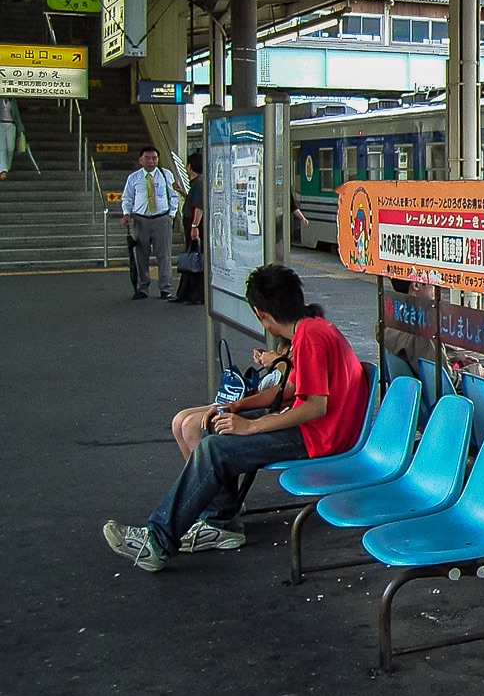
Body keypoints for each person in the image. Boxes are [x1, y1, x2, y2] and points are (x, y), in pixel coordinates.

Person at [103, 264, 368, 572]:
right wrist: (238, 408)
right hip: (322, 430)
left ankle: (157, 541)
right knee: (218, 427)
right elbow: (289, 389)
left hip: (320, 438)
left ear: (261, 314)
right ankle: (220, 522)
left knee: (215, 448)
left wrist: (251, 426)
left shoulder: (310, 336)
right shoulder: (312, 328)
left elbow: (313, 407)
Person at [169, 339, 294, 460]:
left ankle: (207, 478)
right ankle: (199, 477)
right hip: (258, 397)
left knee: (191, 425)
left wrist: (278, 362)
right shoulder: (289, 340)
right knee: (179, 420)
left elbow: (296, 384)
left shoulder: (307, 340)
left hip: (273, 408)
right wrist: (268, 361)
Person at [120, 146, 180, 300]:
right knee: (141, 255)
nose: (151, 161)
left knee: (164, 256)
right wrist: (126, 213)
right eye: (147, 158)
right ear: (140, 160)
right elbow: (127, 198)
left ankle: (166, 288)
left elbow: (173, 196)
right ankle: (142, 288)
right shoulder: (134, 178)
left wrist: (171, 215)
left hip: (162, 219)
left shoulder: (166, 175)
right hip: (141, 220)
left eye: (154, 158)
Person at [173, 151, 205, 304]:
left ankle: (194, 294)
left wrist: (194, 226)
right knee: (192, 256)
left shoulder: (198, 183)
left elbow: (199, 207)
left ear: (190, 166)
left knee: (195, 258)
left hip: (193, 223)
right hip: (192, 222)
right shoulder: (197, 183)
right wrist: (181, 191)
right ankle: (186, 292)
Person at [0, 97, 17, 179]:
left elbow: (16, 114)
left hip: (11, 124)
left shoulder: (13, 100)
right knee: (2, 148)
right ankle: (3, 170)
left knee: (10, 147)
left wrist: (21, 128)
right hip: (1, 124)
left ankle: (7, 165)